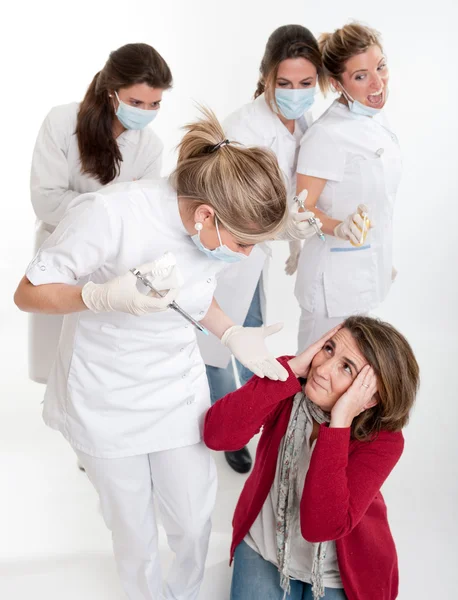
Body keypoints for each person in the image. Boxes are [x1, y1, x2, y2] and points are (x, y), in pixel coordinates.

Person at [14, 108, 289, 600]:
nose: (245, 255)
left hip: (176, 391)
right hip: (106, 396)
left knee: (191, 517)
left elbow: (195, 291)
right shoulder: (110, 214)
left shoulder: (209, 225)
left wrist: (229, 334)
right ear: (206, 214)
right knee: (135, 530)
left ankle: (183, 593)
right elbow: (28, 292)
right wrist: (96, 297)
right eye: (245, 243)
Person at [204, 316, 419, 600]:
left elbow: (321, 527)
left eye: (346, 368)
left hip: (338, 569)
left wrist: (339, 424)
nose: (323, 369)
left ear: (369, 398)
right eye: (328, 349)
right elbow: (217, 435)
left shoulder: (385, 439)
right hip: (266, 547)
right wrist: (289, 371)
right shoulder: (288, 382)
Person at [199, 24, 325, 474]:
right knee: (216, 340)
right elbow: (226, 203)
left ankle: (258, 419)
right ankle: (229, 423)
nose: (295, 93)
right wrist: (280, 227)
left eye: (305, 83)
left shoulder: (305, 119)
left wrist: (293, 232)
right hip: (225, 253)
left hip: (256, 256)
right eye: (284, 83)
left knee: (255, 332)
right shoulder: (243, 127)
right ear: (266, 77)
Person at [29, 42, 172, 384]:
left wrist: (102, 209)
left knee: (101, 369)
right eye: (136, 102)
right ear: (111, 92)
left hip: (112, 263)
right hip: (61, 254)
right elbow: (45, 200)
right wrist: (113, 205)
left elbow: (145, 213)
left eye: (155, 104)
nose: (145, 112)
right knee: (57, 366)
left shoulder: (149, 145)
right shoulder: (62, 122)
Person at [288, 23, 401, 351]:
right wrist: (340, 228)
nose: (378, 83)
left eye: (381, 67)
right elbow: (301, 209)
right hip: (331, 287)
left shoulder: (376, 120)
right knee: (312, 378)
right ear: (337, 83)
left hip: (366, 270)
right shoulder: (326, 136)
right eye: (362, 76)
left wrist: (382, 253)